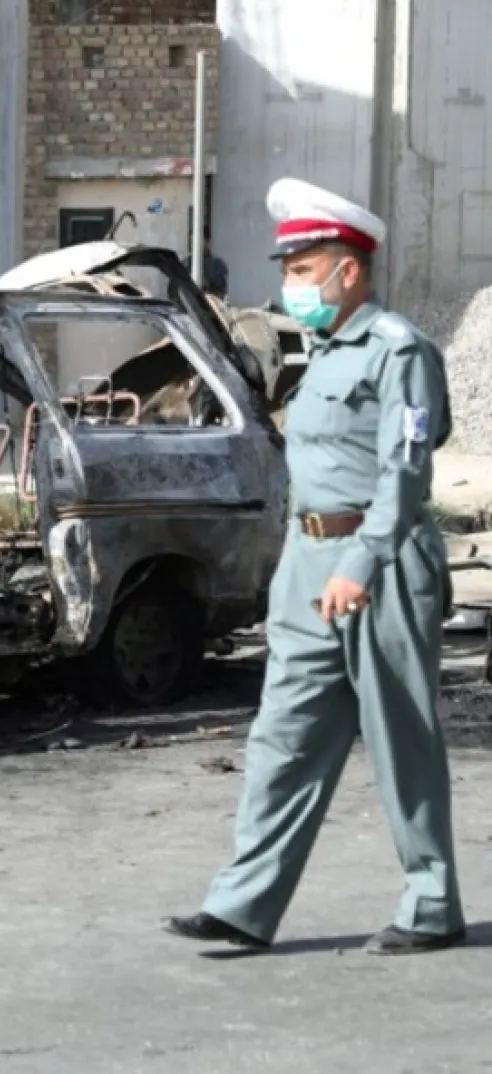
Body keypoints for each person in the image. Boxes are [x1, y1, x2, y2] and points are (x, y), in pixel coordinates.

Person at [164, 178, 464, 956]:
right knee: (283, 734)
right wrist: (300, 568)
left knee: (401, 737)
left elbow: (405, 473)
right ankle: (242, 904)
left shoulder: (400, 352)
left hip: (382, 565)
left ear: (350, 271)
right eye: (290, 269)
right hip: (310, 566)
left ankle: (431, 903)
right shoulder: (320, 359)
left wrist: (361, 562)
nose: (292, 284)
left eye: (304, 269)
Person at [186, 226, 230, 299]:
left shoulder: (217, 265)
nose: (194, 245)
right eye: (192, 241)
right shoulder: (186, 263)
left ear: (208, 242)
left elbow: (220, 292)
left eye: (197, 241)